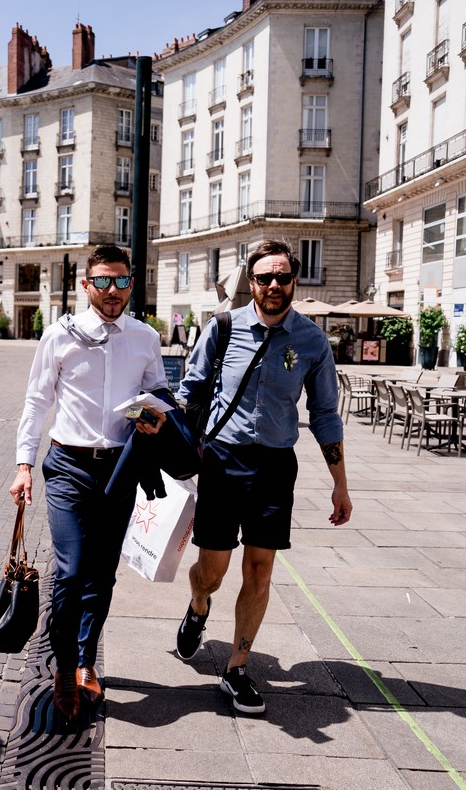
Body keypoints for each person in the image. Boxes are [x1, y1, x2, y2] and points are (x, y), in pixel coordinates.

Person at [174, 239, 351, 716]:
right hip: (222, 461)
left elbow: (325, 414)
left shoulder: (312, 340)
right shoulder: (224, 328)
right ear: (251, 283)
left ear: (296, 280)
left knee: (260, 570)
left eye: (283, 277)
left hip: (275, 466)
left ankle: (236, 668)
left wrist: (340, 482)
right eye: (265, 278)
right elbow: (189, 391)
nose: (274, 285)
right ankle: (197, 605)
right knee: (212, 572)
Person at [9, 244, 168, 720]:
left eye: (120, 281)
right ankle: (61, 668)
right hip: (69, 466)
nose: (111, 290)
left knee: (102, 574)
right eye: (102, 281)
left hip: (120, 467)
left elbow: (158, 391)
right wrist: (24, 464)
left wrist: (153, 416)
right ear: (86, 285)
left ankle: (84, 661)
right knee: (73, 571)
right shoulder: (61, 336)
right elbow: (37, 401)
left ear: (131, 284)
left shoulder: (145, 337)